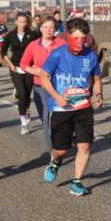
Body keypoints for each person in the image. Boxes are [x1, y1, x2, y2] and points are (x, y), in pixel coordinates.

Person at [39, 18, 102, 197]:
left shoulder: (90, 56)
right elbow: (44, 76)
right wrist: (57, 97)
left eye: (83, 39)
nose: (80, 42)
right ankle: (55, 163)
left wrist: (98, 95)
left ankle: (76, 182)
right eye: (76, 39)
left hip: (83, 107)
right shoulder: (57, 54)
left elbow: (96, 79)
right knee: (61, 150)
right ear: (68, 36)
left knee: (84, 146)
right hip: (61, 109)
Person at [20, 16, 65, 145]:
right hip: (40, 88)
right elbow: (23, 64)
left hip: (59, 87)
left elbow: (69, 62)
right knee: (46, 121)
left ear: (55, 30)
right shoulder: (33, 45)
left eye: (51, 27)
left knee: (59, 120)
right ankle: (53, 153)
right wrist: (36, 71)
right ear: (40, 29)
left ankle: (60, 144)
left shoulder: (62, 44)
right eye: (45, 27)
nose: (48, 30)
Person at [1, 12, 39, 131]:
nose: (22, 24)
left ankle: (26, 110)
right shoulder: (10, 35)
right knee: (22, 94)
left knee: (27, 95)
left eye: (24, 22)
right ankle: (23, 123)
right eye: (20, 22)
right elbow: (3, 52)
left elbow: (40, 47)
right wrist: (10, 64)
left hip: (29, 68)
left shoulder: (33, 34)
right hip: (15, 67)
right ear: (16, 22)